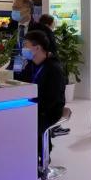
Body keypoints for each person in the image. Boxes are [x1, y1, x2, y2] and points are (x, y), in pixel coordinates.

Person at [19, 30, 65, 163]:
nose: (23, 49)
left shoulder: (53, 68)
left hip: (49, 110)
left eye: (26, 45)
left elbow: (52, 98)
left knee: (29, 124)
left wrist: (32, 109)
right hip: (34, 106)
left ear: (37, 48)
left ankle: (41, 159)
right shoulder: (31, 65)